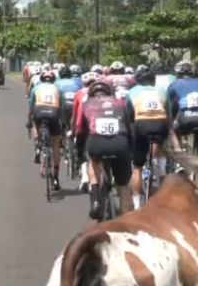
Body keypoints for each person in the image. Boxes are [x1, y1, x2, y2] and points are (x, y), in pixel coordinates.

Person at [74, 80, 134, 220]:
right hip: (120, 143)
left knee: (93, 163)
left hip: (96, 143)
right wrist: (130, 149)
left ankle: (95, 200)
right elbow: (130, 128)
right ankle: (126, 220)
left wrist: (80, 150)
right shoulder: (120, 103)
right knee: (123, 185)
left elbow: (80, 129)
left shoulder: (87, 104)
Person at [126, 64, 172, 209]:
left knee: (137, 167)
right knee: (160, 148)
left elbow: (129, 117)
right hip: (160, 123)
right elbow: (169, 114)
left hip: (141, 124)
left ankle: (138, 205)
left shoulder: (132, 92)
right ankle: (161, 171)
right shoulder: (162, 91)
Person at [27, 70, 65, 190]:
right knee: (55, 144)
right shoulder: (57, 89)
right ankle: (56, 177)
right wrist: (62, 124)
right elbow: (61, 107)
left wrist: (29, 120)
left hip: (39, 112)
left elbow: (31, 106)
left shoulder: (36, 88)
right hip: (53, 113)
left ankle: (39, 144)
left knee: (36, 124)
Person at [168, 60, 198, 156]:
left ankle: (179, 158)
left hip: (186, 119)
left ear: (177, 73)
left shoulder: (174, 85)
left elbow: (172, 108)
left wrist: (171, 120)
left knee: (172, 131)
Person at [72, 72, 98, 191]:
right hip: (99, 128)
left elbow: (76, 115)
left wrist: (74, 131)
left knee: (81, 151)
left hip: (84, 126)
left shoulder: (80, 93)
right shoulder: (106, 93)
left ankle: (84, 178)